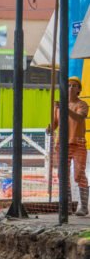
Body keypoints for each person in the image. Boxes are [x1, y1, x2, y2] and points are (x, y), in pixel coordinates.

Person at [52, 76, 88, 216]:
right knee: (63, 175)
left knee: (79, 174)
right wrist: (49, 128)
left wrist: (65, 109)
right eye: (68, 85)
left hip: (78, 143)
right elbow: (55, 123)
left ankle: (84, 207)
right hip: (62, 144)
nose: (71, 88)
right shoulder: (59, 107)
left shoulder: (82, 104)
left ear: (79, 90)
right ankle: (66, 207)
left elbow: (79, 118)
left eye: (74, 86)